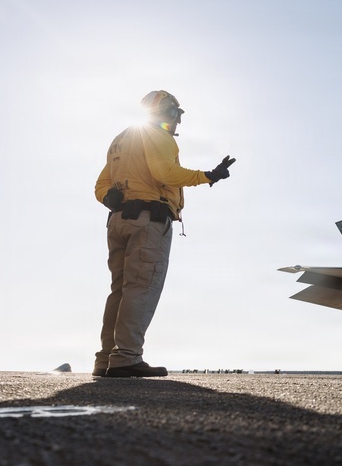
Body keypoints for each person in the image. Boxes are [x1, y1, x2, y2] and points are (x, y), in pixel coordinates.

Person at [93, 90, 236, 377]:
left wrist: (110, 197)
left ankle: (106, 358)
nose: (178, 120)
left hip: (119, 221)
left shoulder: (122, 138)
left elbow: (101, 185)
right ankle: (126, 357)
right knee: (141, 287)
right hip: (149, 221)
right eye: (176, 113)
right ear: (166, 111)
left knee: (119, 290)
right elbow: (164, 173)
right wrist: (208, 176)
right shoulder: (157, 136)